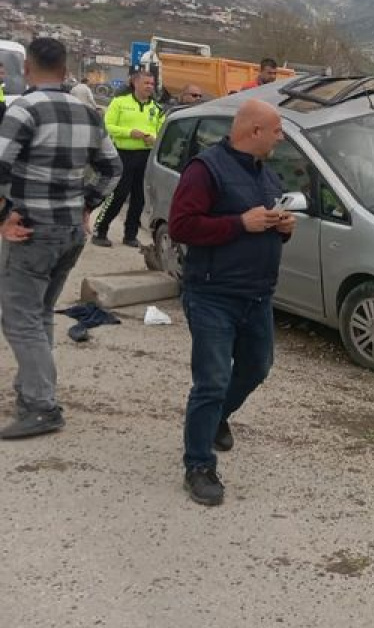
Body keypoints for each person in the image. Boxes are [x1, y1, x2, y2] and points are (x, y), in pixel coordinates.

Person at [167, 99, 294, 506]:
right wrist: (241, 223)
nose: (281, 137)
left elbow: (266, 224)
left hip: (257, 295)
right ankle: (198, 465)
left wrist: (283, 227)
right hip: (212, 294)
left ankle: (217, 416)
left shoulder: (266, 174)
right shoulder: (205, 170)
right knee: (212, 380)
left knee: (257, 367)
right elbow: (181, 226)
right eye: (276, 130)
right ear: (254, 131)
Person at [0, 37, 123, 439]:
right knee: (40, 314)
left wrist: (3, 217)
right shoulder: (88, 113)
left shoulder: (24, 109)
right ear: (66, 69)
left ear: (27, 69)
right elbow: (113, 168)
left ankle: (41, 406)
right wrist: (88, 204)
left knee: (20, 319)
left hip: (32, 230)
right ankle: (33, 394)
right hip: (70, 231)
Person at [93, 70, 163, 248]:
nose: (150, 87)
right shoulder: (120, 102)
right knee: (118, 195)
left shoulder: (156, 108)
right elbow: (107, 126)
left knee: (139, 198)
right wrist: (129, 133)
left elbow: (162, 131)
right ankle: (100, 230)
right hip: (123, 155)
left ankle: (130, 235)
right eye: (146, 83)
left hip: (146, 156)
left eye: (152, 84)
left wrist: (153, 138)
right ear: (135, 83)